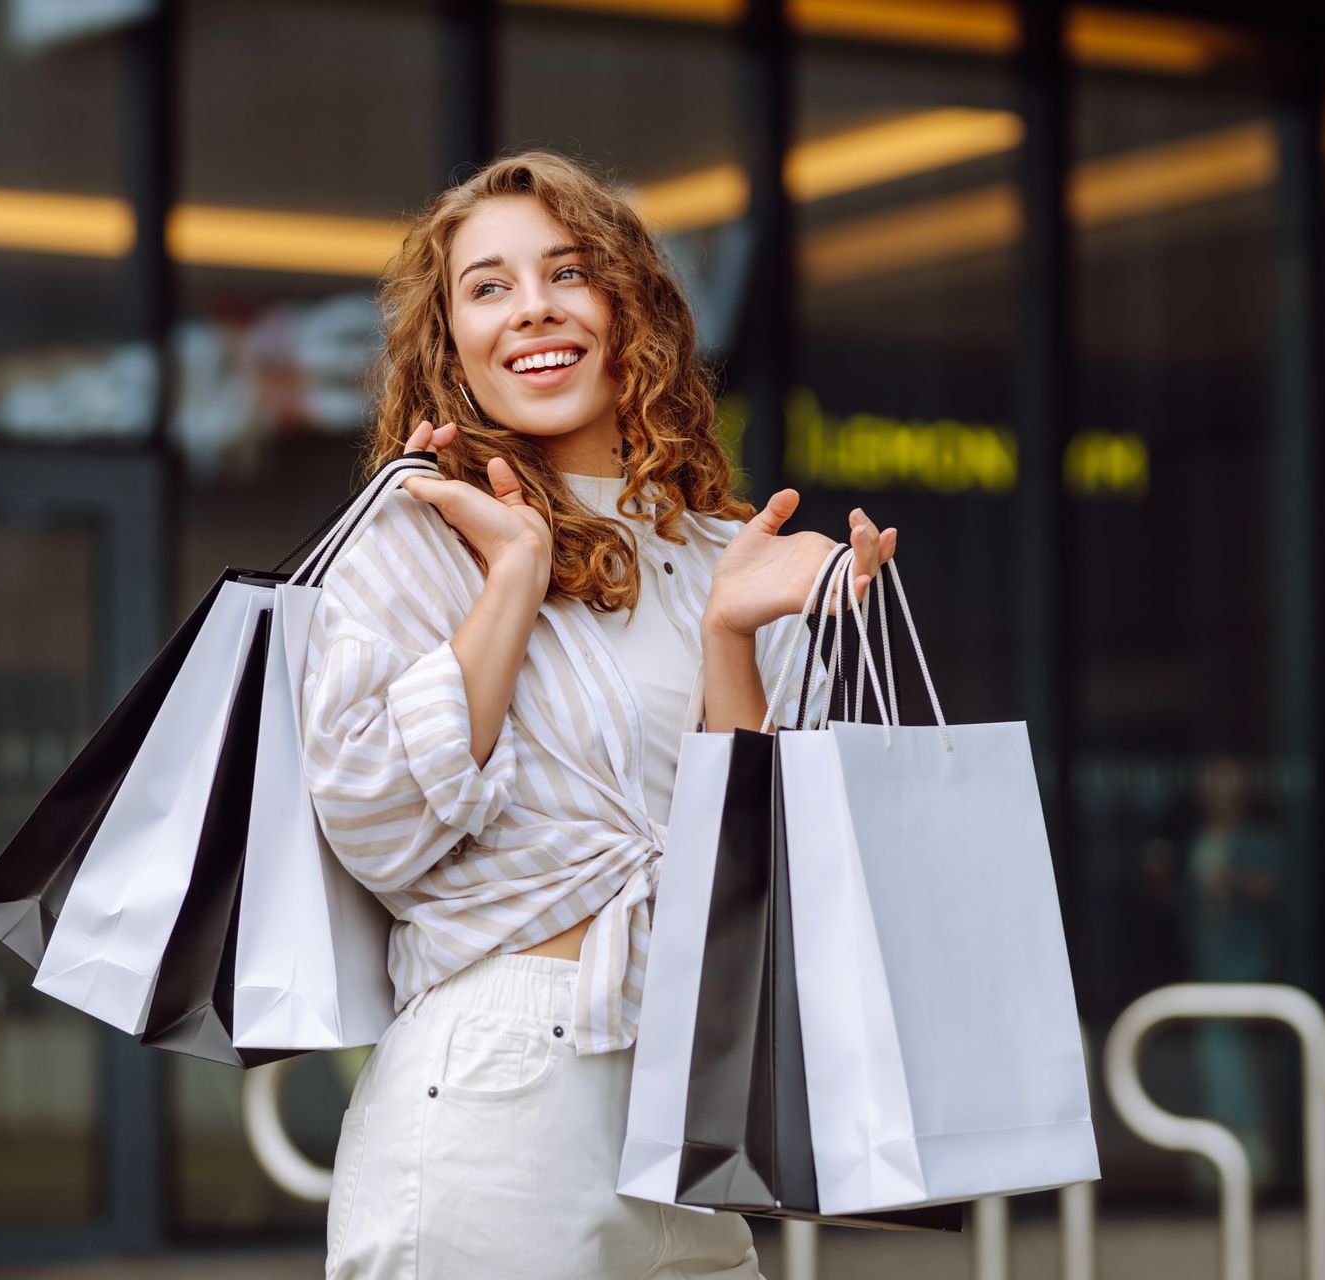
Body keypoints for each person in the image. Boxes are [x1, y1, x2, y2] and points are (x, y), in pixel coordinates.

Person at [298, 149, 896, 1280]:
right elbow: (376, 827)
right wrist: (515, 572)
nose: (532, 308)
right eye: (488, 285)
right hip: (499, 1094)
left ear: (631, 306)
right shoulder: (414, 543)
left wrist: (731, 633)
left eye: (567, 271)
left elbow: (762, 879)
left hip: (691, 1098)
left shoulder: (727, 555)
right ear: (452, 343)